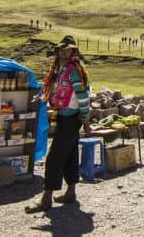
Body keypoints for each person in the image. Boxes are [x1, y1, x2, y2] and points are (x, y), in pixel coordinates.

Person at [26, 35, 91, 212]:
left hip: (73, 118)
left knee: (54, 157)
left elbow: (83, 95)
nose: (62, 52)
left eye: (66, 49)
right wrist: (41, 97)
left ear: (73, 51)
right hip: (63, 115)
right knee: (69, 154)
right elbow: (50, 87)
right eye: (60, 49)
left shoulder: (75, 70)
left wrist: (85, 119)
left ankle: (46, 197)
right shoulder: (58, 69)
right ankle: (71, 192)